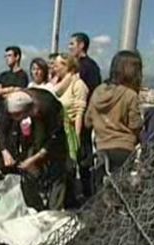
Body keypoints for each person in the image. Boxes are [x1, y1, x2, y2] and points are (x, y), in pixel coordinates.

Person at [5, 89, 70, 210]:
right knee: (30, 175)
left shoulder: (48, 106)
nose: (17, 119)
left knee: (57, 175)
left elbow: (54, 140)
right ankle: (36, 206)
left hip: (55, 144)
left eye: (19, 115)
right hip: (36, 138)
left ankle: (54, 209)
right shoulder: (15, 102)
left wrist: (34, 159)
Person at [85, 50, 143, 174]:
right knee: (121, 188)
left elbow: (88, 121)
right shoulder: (130, 95)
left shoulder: (97, 91)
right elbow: (135, 125)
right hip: (124, 149)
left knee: (101, 187)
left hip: (101, 148)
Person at [69, 32, 102, 198]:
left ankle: (88, 193)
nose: (69, 47)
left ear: (81, 45)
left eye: (72, 44)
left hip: (83, 119)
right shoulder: (72, 66)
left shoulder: (90, 67)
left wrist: (87, 117)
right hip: (71, 118)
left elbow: (94, 94)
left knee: (84, 156)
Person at [0, 46, 30, 167]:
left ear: (17, 57)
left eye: (9, 56)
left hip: (15, 116)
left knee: (13, 143)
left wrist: (3, 91)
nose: (7, 59)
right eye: (5, 56)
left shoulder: (22, 75)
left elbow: (18, 92)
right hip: (2, 113)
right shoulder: (3, 75)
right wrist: (9, 89)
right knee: (0, 135)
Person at [52, 53, 89, 163]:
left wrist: (76, 140)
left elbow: (79, 113)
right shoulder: (59, 85)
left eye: (57, 66)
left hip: (69, 134)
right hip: (57, 133)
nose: (55, 68)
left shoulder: (78, 85)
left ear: (66, 66)